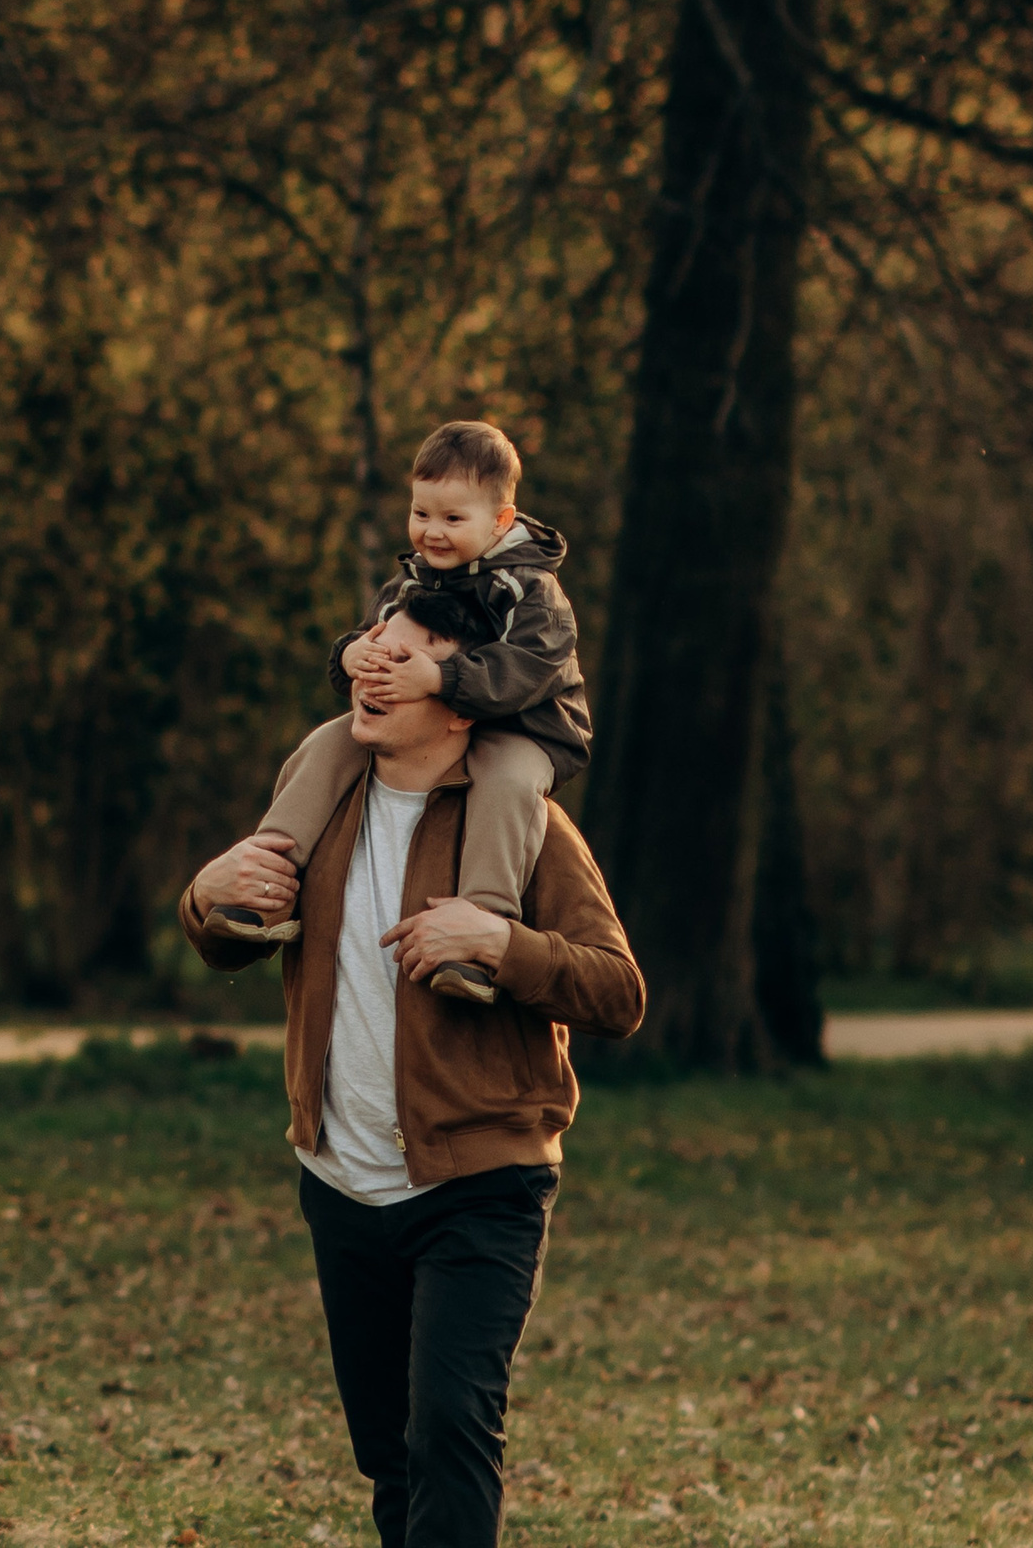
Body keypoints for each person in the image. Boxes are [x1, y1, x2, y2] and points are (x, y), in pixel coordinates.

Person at [179, 588, 644, 1548]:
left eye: (408, 655)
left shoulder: (526, 826)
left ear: (465, 699)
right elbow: (237, 936)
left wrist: (503, 945)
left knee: (450, 1433)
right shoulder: (319, 800)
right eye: (373, 646)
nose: (375, 665)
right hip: (341, 1180)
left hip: (481, 1184)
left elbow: (618, 991)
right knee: (390, 1451)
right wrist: (203, 896)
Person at [204, 421, 588, 1006]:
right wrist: (351, 654)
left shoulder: (532, 591)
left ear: (501, 521)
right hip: (438, 720)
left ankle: (477, 930)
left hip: (527, 728)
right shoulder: (410, 580)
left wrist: (438, 676)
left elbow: (525, 674)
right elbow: (365, 645)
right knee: (329, 742)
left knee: (505, 782)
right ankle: (267, 878)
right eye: (421, 513)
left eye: (452, 519)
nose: (432, 533)